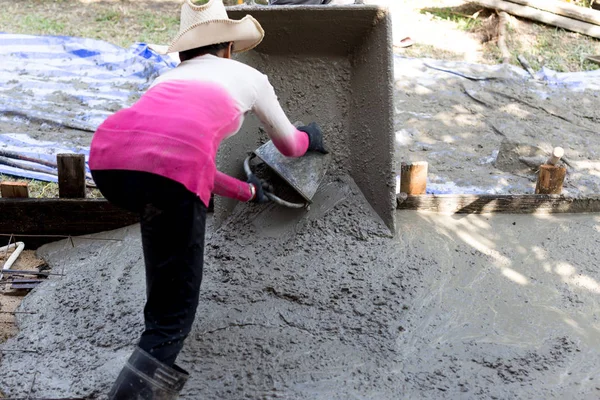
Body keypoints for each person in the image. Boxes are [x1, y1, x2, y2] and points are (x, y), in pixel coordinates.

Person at [89, 0, 327, 398]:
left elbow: (182, 163)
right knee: (173, 312)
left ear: (184, 51)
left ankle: (156, 317)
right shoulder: (250, 78)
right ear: (230, 47)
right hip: (165, 181)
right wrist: (311, 138)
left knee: (164, 245)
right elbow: (288, 146)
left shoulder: (167, 81)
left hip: (108, 164)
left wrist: (248, 191)